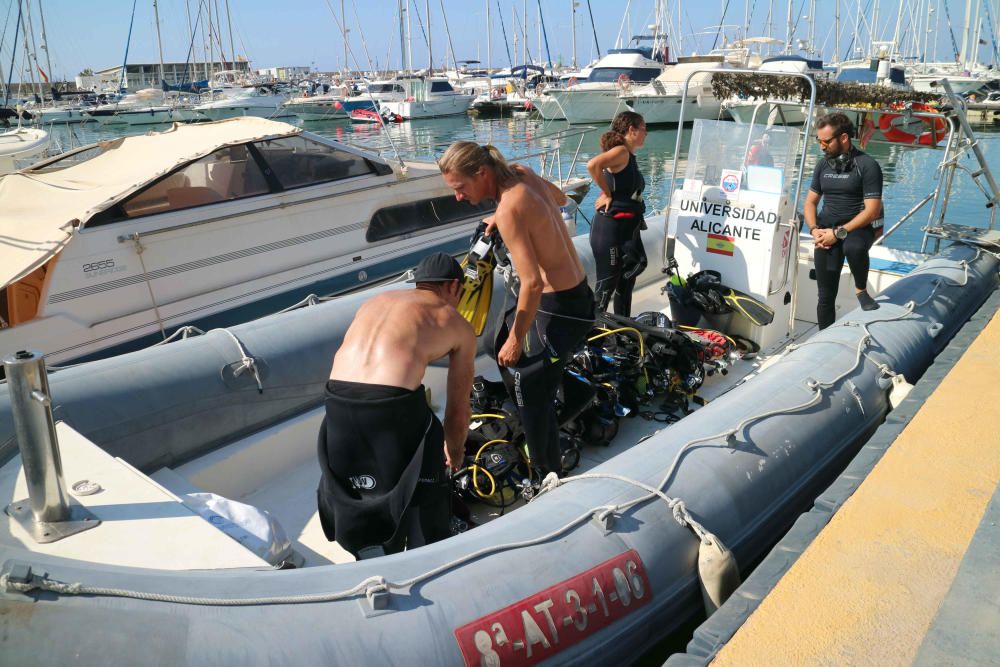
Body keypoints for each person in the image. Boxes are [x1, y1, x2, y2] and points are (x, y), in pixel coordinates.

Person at [438, 142, 595, 476]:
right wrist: (505, 214)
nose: (459, 197)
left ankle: (546, 475)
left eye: (460, 188)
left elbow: (533, 283)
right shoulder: (522, 176)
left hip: (560, 306)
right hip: (577, 293)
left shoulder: (510, 208)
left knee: (526, 382)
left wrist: (516, 339)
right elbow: (560, 199)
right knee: (498, 345)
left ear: (482, 173)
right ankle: (556, 400)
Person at [316, 252, 475, 559]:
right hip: (387, 406)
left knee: (365, 478)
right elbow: (458, 410)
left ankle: (368, 547)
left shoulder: (376, 301)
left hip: (335, 402)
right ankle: (428, 549)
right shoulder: (454, 320)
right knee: (431, 433)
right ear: (454, 287)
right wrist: (454, 454)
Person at [804, 112, 883, 330]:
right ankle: (824, 339)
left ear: (844, 138)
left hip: (857, 228)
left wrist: (837, 233)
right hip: (826, 231)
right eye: (819, 140)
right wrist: (814, 231)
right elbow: (810, 203)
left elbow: (873, 211)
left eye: (826, 141)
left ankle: (861, 290)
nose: (822, 146)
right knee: (825, 298)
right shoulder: (823, 165)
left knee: (854, 246)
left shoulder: (867, 165)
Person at [586, 110, 649, 316]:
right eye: (643, 129)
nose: (646, 134)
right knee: (606, 285)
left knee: (628, 277)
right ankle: (591, 334)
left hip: (626, 228)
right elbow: (593, 165)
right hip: (610, 229)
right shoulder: (621, 152)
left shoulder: (628, 156)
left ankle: (623, 325)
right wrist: (606, 193)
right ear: (632, 130)